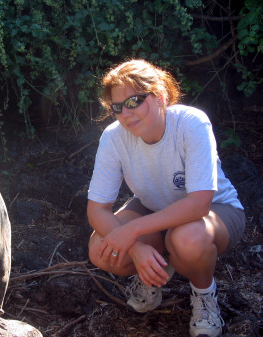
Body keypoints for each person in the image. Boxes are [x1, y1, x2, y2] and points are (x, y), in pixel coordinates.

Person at [87, 59, 245, 337]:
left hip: (215, 211)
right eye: (117, 107)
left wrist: (132, 231)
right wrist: (135, 248)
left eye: (134, 101)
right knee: (101, 248)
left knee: (186, 239)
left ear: (159, 96)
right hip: (153, 208)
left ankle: (204, 296)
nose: (125, 113)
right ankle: (157, 264)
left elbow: (199, 203)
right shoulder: (113, 138)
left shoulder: (190, 123)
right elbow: (97, 210)